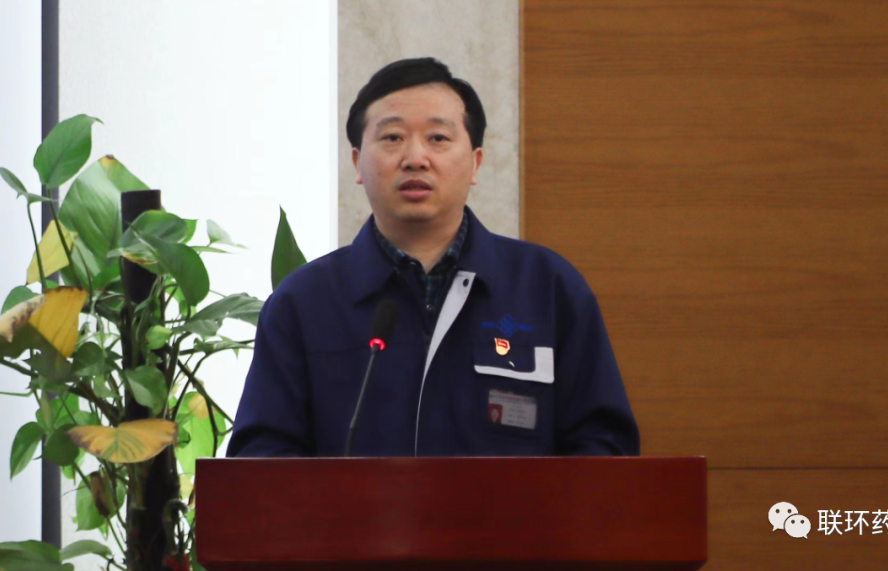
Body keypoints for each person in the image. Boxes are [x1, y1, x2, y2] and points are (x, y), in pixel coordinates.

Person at [226, 58, 639, 457]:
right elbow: (260, 460)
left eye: (438, 138)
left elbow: (604, 449)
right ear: (357, 162)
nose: (415, 158)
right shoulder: (304, 303)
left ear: (475, 162)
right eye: (392, 138)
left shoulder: (547, 288)